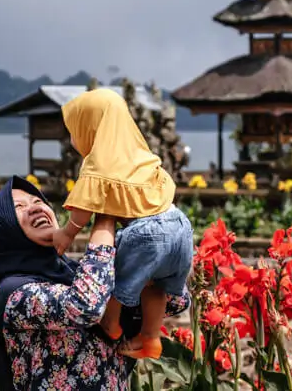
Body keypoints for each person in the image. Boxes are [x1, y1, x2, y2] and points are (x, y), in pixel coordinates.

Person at [0, 176, 190, 390]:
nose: (34, 208)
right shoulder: (15, 295)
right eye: (19, 207)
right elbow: (85, 307)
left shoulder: (79, 275)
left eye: (38, 201)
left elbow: (175, 301)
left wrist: (148, 241)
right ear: (3, 230)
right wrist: (104, 217)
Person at [51, 88, 194, 359]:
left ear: (90, 127)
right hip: (180, 226)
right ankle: (151, 338)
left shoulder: (99, 161)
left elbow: (83, 208)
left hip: (147, 233)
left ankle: (110, 323)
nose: (72, 137)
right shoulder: (139, 153)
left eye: (74, 129)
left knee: (118, 280)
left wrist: (67, 233)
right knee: (156, 286)